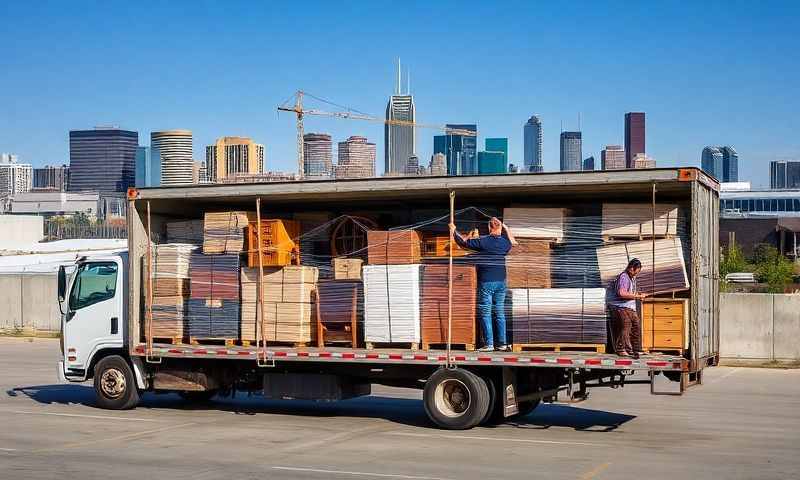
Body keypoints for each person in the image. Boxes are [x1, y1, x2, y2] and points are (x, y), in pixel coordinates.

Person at [450, 217, 516, 352]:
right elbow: (513, 243)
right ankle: (502, 343)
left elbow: (462, 242)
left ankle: (489, 344)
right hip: (501, 282)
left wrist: (453, 230)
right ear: (500, 228)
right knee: (499, 313)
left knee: (486, 313)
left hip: (487, 282)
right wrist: (507, 229)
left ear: (489, 227)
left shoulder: (483, 242)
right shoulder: (505, 243)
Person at [607, 258, 646, 358]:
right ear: (631, 268)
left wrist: (637, 295)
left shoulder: (631, 278)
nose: (635, 275)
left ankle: (635, 349)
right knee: (626, 325)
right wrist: (637, 296)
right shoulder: (624, 277)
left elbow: (629, 293)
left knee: (636, 325)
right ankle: (621, 348)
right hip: (620, 306)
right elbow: (622, 293)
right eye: (635, 272)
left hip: (628, 306)